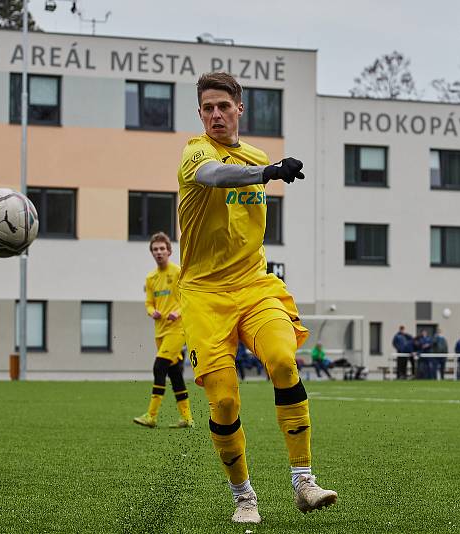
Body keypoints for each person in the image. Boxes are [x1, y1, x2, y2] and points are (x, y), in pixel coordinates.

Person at [176, 72, 336, 524]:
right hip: (205, 294)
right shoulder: (196, 152)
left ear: (239, 109)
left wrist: (264, 167)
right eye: (207, 108)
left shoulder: (257, 155)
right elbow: (213, 175)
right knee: (224, 400)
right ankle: (244, 496)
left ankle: (303, 481)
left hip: (254, 284)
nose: (215, 115)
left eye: (222, 106)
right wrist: (266, 172)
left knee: (284, 361)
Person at [133, 232, 194, 429]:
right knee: (174, 373)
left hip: (177, 330)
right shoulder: (151, 278)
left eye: (162, 249)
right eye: (155, 249)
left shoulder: (177, 273)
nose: (159, 252)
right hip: (160, 331)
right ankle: (187, 418)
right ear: (151, 252)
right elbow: (149, 303)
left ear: (169, 251)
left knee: (159, 367)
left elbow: (188, 298)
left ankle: (151, 416)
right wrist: (153, 312)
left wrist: (178, 312)